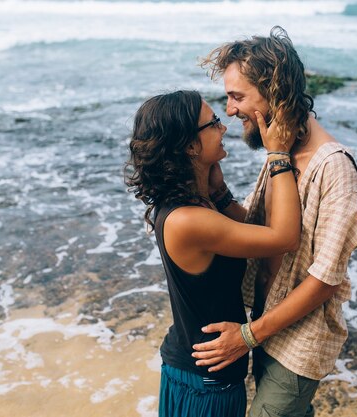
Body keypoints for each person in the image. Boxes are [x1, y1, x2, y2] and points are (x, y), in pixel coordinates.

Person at [193, 27, 357, 416]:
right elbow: (259, 233)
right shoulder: (279, 150)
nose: (230, 110)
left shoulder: (335, 168)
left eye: (237, 97)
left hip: (297, 344)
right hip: (264, 325)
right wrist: (218, 192)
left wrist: (245, 337)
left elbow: (325, 280)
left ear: (274, 94)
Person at [125, 90, 301, 417]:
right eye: (214, 123)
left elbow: (249, 228)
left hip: (203, 370)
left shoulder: (196, 204)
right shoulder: (189, 220)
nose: (224, 128)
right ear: (191, 146)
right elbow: (285, 238)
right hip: (204, 382)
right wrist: (278, 154)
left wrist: (218, 191)